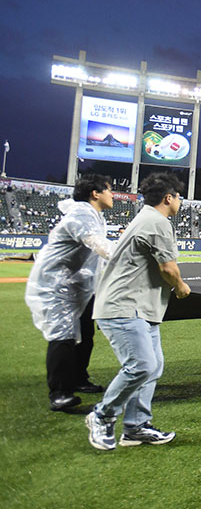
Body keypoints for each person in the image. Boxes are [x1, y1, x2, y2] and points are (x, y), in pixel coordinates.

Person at [85, 173, 191, 451]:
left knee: (152, 367)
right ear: (168, 198)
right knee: (142, 365)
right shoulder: (157, 222)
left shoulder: (146, 218)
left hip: (139, 307)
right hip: (124, 307)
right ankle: (102, 416)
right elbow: (168, 269)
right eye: (178, 196)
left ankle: (135, 427)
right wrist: (180, 286)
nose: (180, 201)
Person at [24, 174, 115, 412]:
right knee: (62, 335)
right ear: (95, 193)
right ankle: (60, 392)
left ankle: (78, 379)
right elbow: (100, 246)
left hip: (77, 285)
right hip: (57, 284)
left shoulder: (94, 215)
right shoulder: (82, 214)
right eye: (109, 190)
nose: (112, 194)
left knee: (84, 333)